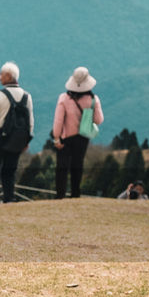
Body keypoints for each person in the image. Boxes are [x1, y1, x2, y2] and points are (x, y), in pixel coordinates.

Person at [0, 62, 34, 204]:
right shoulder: (27, 96)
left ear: (9, 76)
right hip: (17, 138)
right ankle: (9, 199)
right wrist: (27, 141)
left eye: (1, 74)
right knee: (10, 171)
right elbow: (30, 120)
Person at [52, 67, 103, 199]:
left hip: (65, 137)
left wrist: (56, 138)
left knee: (62, 167)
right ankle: (75, 194)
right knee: (77, 165)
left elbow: (58, 121)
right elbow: (99, 120)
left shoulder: (63, 98)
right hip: (82, 137)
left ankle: (60, 195)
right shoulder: (93, 99)